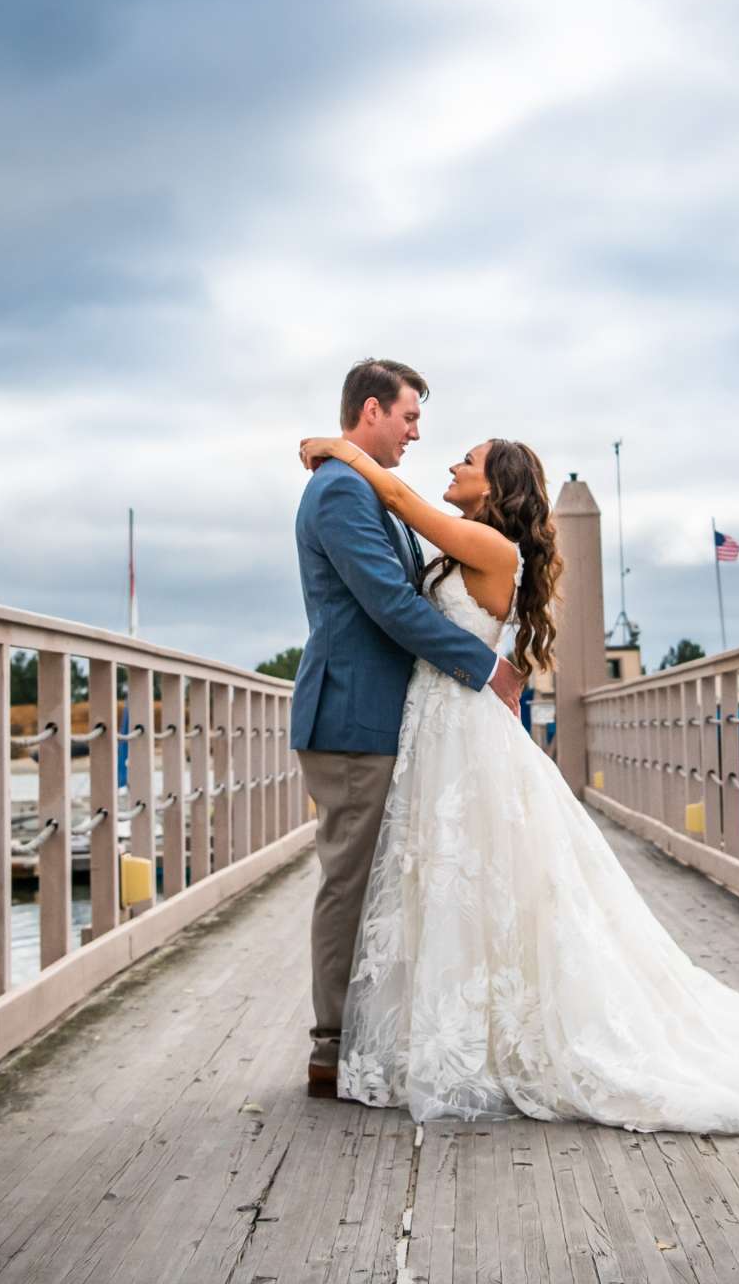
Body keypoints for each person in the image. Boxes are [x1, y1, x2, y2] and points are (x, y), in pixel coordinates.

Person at [296, 428, 739, 1139]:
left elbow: (395, 495)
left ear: (498, 486)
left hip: (461, 726)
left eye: (470, 460)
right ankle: (442, 1028)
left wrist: (334, 445)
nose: (453, 463)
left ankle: (483, 1037)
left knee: (476, 873)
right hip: (437, 728)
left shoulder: (490, 548)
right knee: (447, 877)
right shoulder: (468, 541)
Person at [291, 359, 527, 1101]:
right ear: (370, 411)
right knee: (352, 883)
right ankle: (331, 1048)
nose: (419, 433)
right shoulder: (340, 493)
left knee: (390, 882)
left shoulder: (365, 487)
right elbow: (392, 605)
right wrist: (488, 669)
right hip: (354, 715)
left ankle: (375, 1034)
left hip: (396, 717)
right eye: (409, 417)